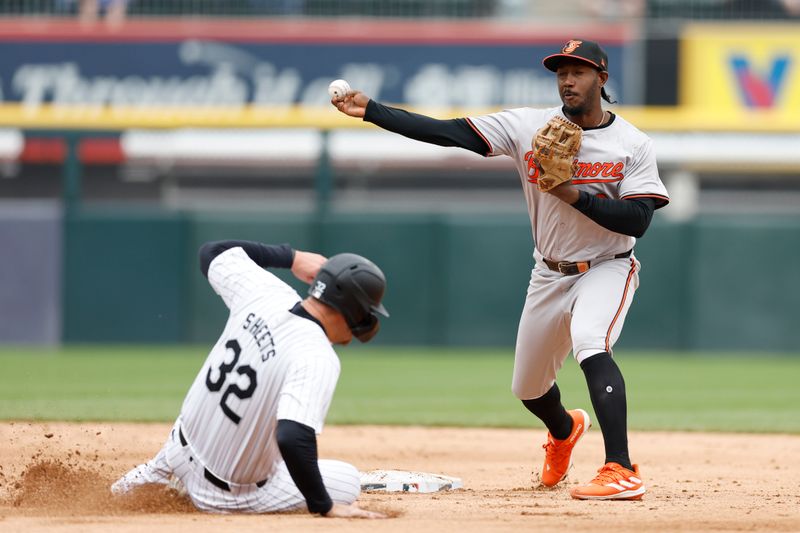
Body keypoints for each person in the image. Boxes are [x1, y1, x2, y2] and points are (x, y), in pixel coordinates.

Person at [331, 39, 669, 500]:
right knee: (528, 387)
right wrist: (373, 110)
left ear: (602, 79)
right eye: (562, 72)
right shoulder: (529, 125)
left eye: (580, 71)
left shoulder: (632, 144)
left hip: (607, 265)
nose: (568, 80)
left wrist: (571, 192)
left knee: (592, 343)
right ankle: (564, 429)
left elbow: (639, 220)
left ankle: (620, 468)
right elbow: (448, 132)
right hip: (549, 272)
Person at [111, 239, 389, 518]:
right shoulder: (316, 355)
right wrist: (324, 506)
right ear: (353, 312)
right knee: (348, 480)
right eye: (367, 311)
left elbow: (212, 252)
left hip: (173, 456)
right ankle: (201, 495)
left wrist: (293, 258)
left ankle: (167, 480)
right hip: (226, 495)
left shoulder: (267, 292)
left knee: (110, 500)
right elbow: (293, 436)